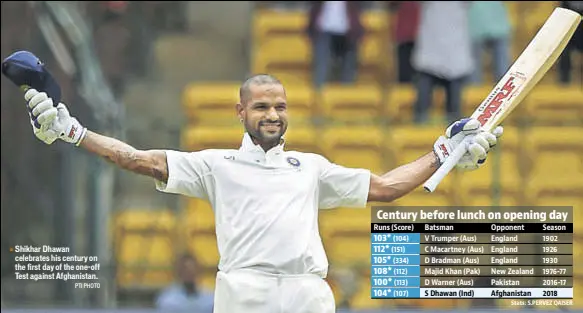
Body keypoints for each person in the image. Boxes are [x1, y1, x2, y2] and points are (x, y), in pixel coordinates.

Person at [22, 74, 503, 313]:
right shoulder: (215, 164)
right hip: (244, 292)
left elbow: (385, 187)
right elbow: (134, 157)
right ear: (241, 111)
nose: (273, 114)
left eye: (280, 106)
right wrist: (72, 131)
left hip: (307, 293)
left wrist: (445, 151)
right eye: (262, 106)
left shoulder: (310, 167)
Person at [411, 1, 474, 124]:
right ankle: (420, 132)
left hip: (454, 54)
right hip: (431, 52)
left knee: (454, 115)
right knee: (422, 110)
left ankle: (453, 138)